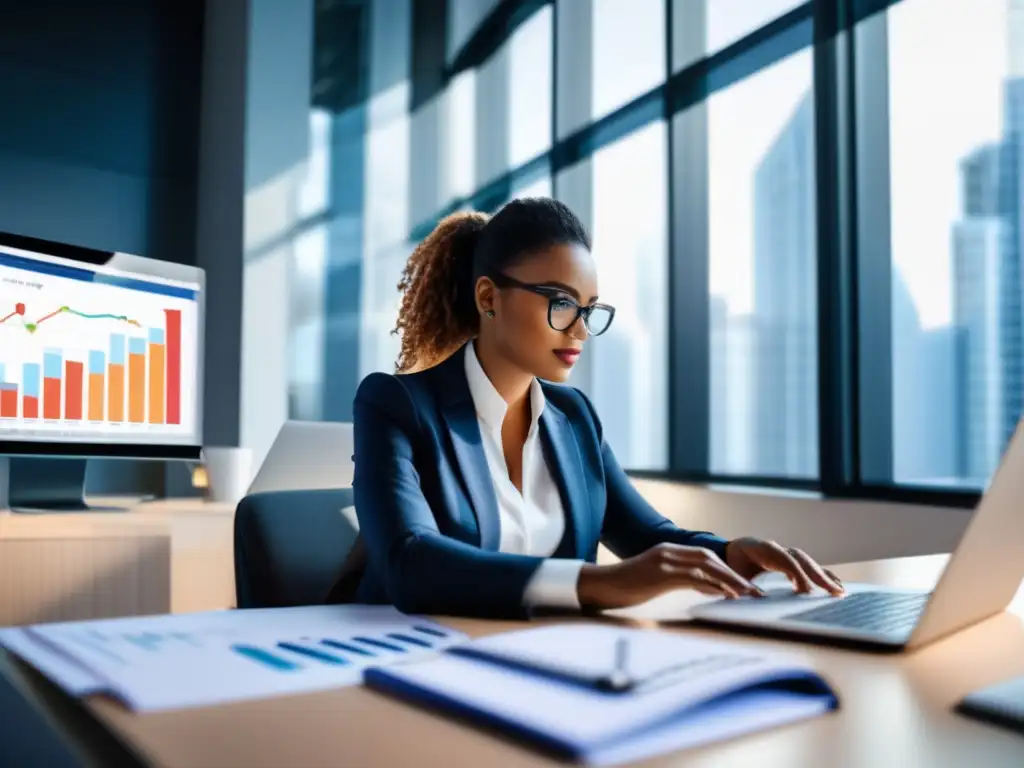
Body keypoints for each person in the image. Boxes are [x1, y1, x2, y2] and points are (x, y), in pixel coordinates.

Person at [326, 197, 844, 619]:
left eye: (589, 309)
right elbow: (409, 562)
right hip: (402, 661)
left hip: (538, 659)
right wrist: (597, 583)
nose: (579, 328)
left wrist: (732, 553)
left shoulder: (573, 417)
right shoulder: (396, 404)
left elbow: (647, 537)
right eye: (561, 301)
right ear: (489, 298)